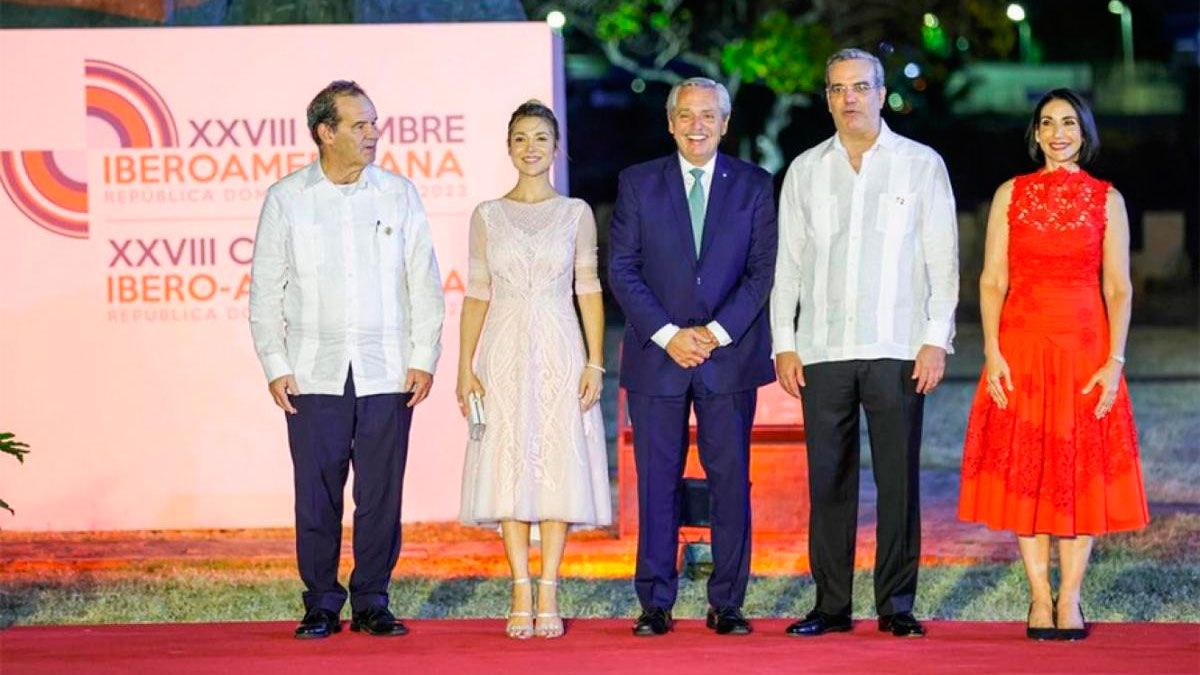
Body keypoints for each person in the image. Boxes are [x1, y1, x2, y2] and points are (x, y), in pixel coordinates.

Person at [770, 48, 959, 639]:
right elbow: (789, 266)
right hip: (821, 349)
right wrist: (784, 341)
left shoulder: (920, 164)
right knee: (828, 480)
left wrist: (936, 340)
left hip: (898, 346)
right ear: (826, 97)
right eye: (836, 89)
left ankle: (896, 605)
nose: (848, 98)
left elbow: (941, 261)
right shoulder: (805, 169)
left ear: (881, 93)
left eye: (859, 86)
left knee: (898, 481)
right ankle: (830, 606)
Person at [249, 80, 445, 639]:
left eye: (374, 123)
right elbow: (265, 291)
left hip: (388, 368)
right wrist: (274, 364)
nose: (372, 135)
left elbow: (423, 283)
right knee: (317, 493)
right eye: (359, 125)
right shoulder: (286, 199)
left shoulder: (398, 193)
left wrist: (424, 355)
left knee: (381, 493)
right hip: (312, 369)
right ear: (324, 132)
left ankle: (372, 600)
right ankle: (319, 602)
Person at [958, 88, 1149, 641]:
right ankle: (1038, 598)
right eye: (1048, 123)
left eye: (1069, 123)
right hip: (1021, 349)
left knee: (1077, 477)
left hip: (1086, 352)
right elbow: (993, 280)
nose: (1058, 132)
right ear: (1036, 133)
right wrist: (992, 351)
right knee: (1028, 476)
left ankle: (1070, 600)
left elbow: (1118, 286)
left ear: (1084, 133)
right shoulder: (1010, 195)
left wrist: (1114, 361)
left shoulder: (1105, 199)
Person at [609, 77, 778, 637]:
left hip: (728, 359)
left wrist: (716, 332)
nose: (697, 125)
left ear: (726, 124)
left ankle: (726, 601)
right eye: (686, 115)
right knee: (658, 481)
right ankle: (655, 601)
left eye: (708, 115)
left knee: (730, 480)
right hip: (658, 359)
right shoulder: (638, 183)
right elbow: (623, 268)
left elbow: (761, 273)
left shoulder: (755, 186)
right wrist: (666, 334)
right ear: (670, 122)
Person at [457, 100, 611, 640]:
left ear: (555, 146)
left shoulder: (575, 213)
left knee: (555, 461)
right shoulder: (487, 215)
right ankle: (519, 586)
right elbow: (477, 294)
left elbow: (588, 289)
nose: (531, 148)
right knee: (509, 462)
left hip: (559, 346)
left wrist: (596, 360)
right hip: (501, 349)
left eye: (541, 138)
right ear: (508, 146)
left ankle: (549, 588)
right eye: (521, 138)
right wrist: (464, 367)